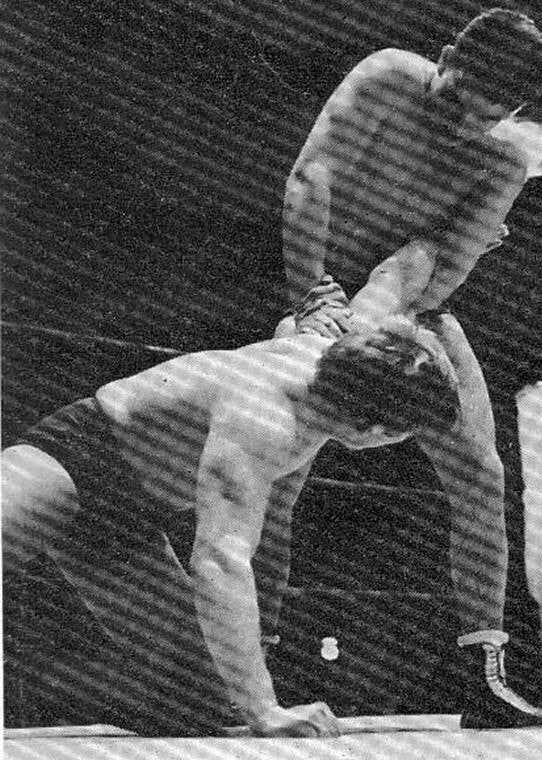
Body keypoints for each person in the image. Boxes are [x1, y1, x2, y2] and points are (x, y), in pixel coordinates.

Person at [274, 8, 542, 728]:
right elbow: (312, 176)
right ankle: (253, 662)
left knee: (482, 474)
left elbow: (442, 265)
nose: (463, 125)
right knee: (274, 470)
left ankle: (483, 678)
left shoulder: (504, 159)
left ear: (511, 114)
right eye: (456, 100)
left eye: (485, 118)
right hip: (323, 295)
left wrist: (380, 306)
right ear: (444, 57)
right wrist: (313, 298)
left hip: (414, 310)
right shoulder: (387, 78)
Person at [2, 315, 460, 738]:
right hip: (72, 458)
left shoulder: (337, 359)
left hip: (125, 524)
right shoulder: (265, 420)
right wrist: (265, 710)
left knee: (197, 691)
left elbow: (386, 329)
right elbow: (220, 560)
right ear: (374, 429)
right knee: (242, 694)